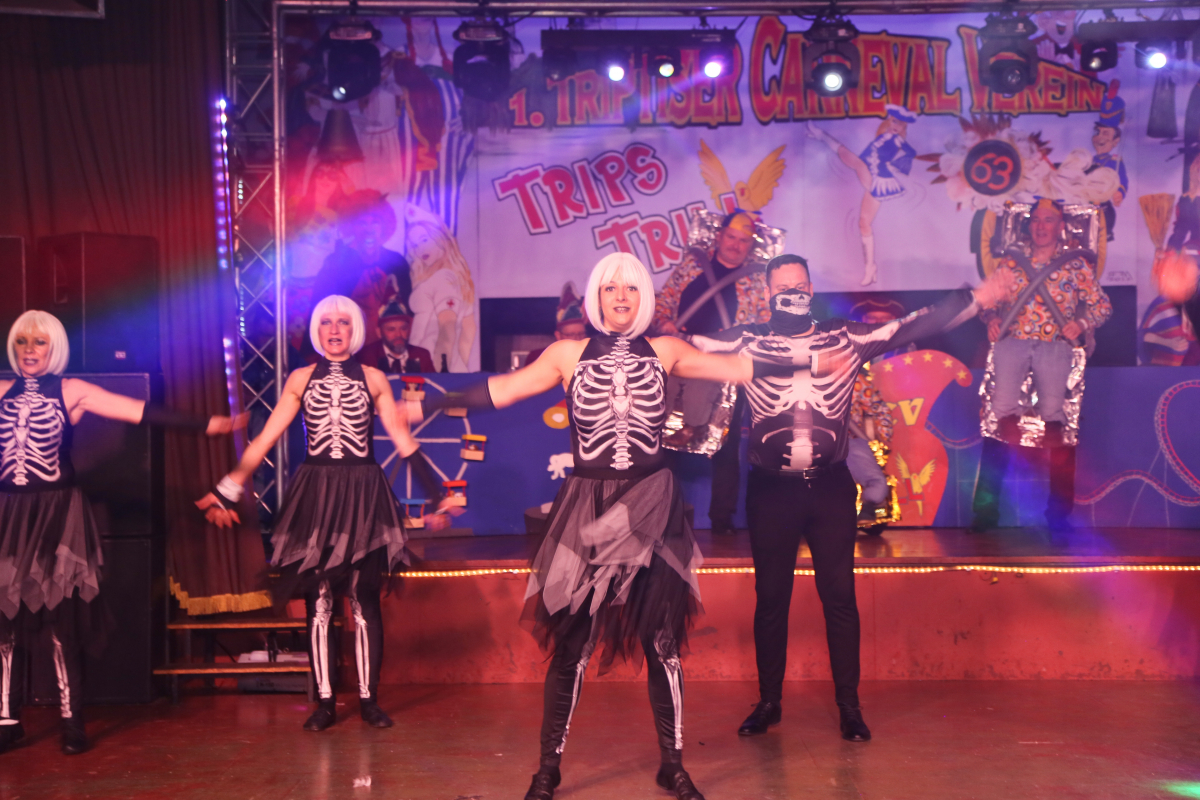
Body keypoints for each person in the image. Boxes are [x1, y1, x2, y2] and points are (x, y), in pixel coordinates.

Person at [421, 253, 761, 800]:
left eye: (631, 288)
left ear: (644, 297)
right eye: (610, 288)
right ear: (596, 298)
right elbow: (505, 390)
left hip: (653, 505)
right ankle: (547, 769)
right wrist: (436, 401)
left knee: (662, 642)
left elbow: (740, 369)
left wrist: (813, 361)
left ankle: (673, 764)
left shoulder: (666, 350)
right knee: (572, 644)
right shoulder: (567, 354)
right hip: (589, 508)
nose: (621, 297)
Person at [686, 255, 1011, 743]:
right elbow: (682, 348)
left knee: (840, 598)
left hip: (830, 487)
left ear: (811, 289)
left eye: (800, 286)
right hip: (771, 490)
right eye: (782, 287)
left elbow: (911, 324)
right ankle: (769, 702)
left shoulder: (845, 337)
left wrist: (976, 299)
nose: (792, 294)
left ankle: (849, 706)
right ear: (767, 292)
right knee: (770, 600)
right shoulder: (744, 340)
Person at [197, 295, 455, 732]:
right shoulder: (301, 378)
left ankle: (369, 700)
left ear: (355, 329)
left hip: (362, 494)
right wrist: (228, 487)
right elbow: (265, 439)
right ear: (316, 331)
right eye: (326, 323)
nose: (334, 330)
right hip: (316, 494)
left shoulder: (373, 378)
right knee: (318, 599)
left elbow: (402, 440)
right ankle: (325, 701)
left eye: (343, 323)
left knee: (363, 597)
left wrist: (437, 496)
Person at [0, 311, 241, 756]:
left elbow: (137, 411)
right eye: (22, 342)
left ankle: (72, 719)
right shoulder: (0, 391)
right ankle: (6, 719)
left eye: (39, 342)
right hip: (10, 514)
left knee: (60, 619)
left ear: (54, 347)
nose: (29, 350)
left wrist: (206, 424)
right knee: (4, 618)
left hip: (54, 513)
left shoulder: (71, 391)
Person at [972, 199, 1112, 534]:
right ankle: (986, 515)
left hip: (1055, 347)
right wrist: (991, 319)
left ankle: (1058, 518)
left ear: (1060, 225)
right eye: (1036, 219)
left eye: (1048, 220)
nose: (1041, 226)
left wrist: (1081, 323)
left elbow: (1102, 307)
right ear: (1029, 224)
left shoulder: (1075, 266)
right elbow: (985, 301)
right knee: (997, 427)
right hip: (1013, 344)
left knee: (1058, 430)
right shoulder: (1011, 264)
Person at [653, 209, 770, 536]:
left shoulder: (757, 279)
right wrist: (665, 323)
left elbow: (764, 324)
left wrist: (737, 342)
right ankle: (662, 515)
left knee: (726, 444)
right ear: (719, 236)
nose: (735, 245)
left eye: (743, 240)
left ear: (750, 245)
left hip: (725, 365)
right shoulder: (691, 266)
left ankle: (722, 519)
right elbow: (663, 303)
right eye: (731, 237)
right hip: (681, 360)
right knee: (667, 438)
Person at [807, 104, 919, 286]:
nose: (896, 126)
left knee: (855, 162)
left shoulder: (898, 140)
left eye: (900, 124)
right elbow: (868, 155)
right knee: (864, 223)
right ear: (889, 120)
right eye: (894, 121)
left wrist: (896, 165)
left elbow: (911, 152)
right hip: (871, 173)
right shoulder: (882, 136)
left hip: (879, 178)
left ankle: (821, 135)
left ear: (904, 127)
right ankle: (870, 268)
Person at [311, 190, 413, 350]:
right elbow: (320, 308)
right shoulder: (336, 262)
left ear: (384, 226)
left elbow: (409, 309)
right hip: (346, 345)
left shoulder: (396, 262)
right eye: (362, 223)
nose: (369, 229)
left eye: (375, 222)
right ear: (352, 227)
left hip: (388, 348)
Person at [405, 204, 478, 372]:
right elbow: (468, 329)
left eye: (424, 239)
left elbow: (447, 330)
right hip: (433, 366)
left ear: (439, 238)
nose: (420, 249)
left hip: (432, 367)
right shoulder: (446, 277)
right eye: (415, 245)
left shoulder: (443, 277)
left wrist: (440, 372)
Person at [355, 299, 435, 374]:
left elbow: (433, 383)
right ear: (379, 332)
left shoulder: (422, 355)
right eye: (391, 329)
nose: (398, 334)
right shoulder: (366, 356)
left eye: (403, 329)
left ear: (409, 330)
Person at [525, 282, 588, 365]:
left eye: (581, 333)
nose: (577, 338)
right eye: (571, 334)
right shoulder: (538, 358)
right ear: (558, 335)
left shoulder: (592, 357)